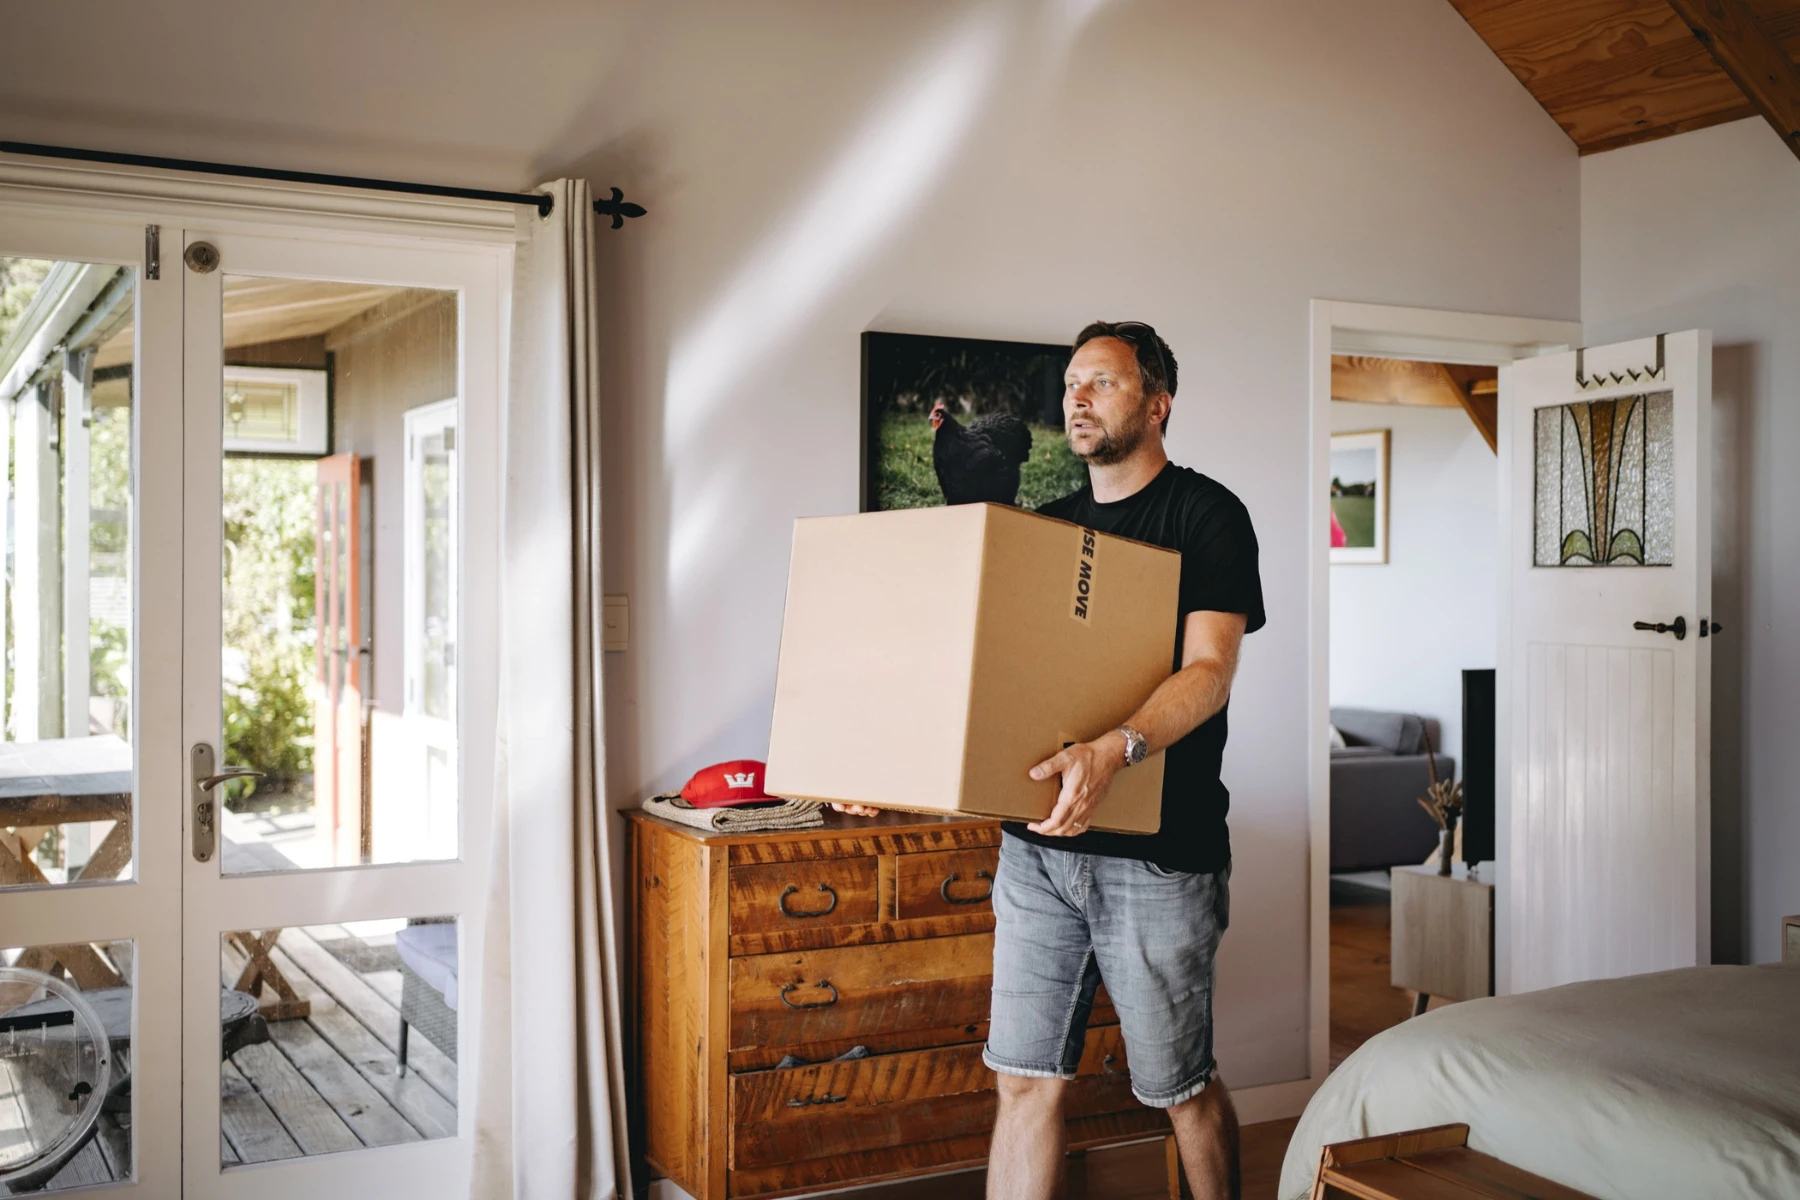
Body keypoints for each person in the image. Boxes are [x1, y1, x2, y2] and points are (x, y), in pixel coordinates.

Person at [835, 320, 1264, 1199]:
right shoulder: (1049, 528)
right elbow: (985, 681)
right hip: (1037, 855)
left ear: (1157, 403)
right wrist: (884, 767)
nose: (1076, 396)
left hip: (1157, 856)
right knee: (1024, 1081)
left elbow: (1211, 671)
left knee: (1177, 1092)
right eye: (1071, 382)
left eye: (1101, 382)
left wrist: (1119, 746)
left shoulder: (1206, 514)